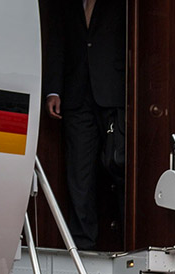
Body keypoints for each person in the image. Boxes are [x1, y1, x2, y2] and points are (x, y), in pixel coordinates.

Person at [44, 0, 126, 250]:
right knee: (79, 173)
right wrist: (53, 90)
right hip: (76, 96)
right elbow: (56, 41)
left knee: (119, 166)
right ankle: (81, 244)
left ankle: (127, 237)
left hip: (115, 95)